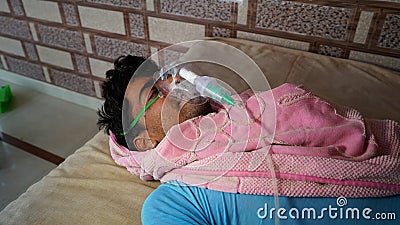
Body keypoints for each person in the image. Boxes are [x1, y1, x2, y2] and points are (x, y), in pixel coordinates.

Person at [98, 55, 400, 225]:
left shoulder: (248, 110)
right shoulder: (172, 204)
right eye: (154, 92)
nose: (174, 82)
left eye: (166, 75)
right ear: (143, 141)